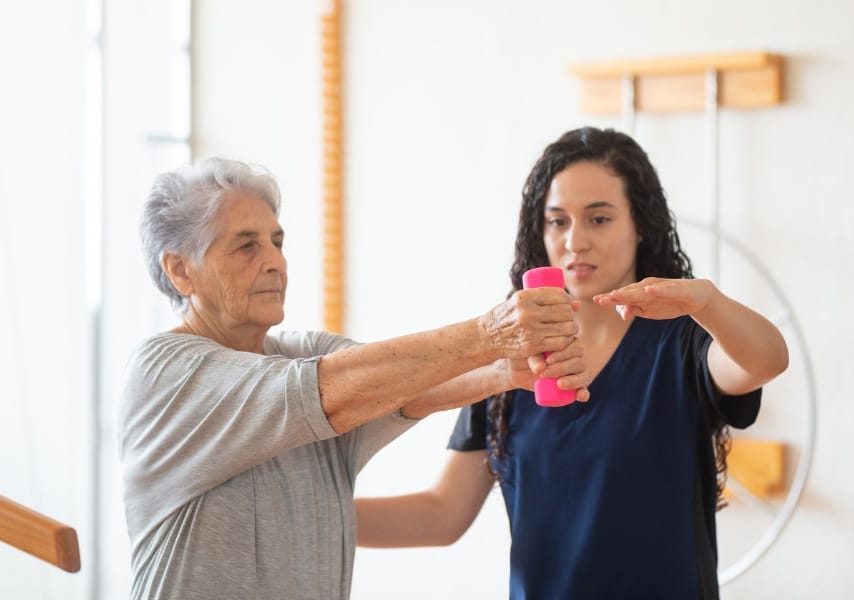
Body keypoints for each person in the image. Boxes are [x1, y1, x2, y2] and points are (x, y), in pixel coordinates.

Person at [118, 157, 591, 600]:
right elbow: (324, 392)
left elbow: (399, 387)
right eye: (247, 245)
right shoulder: (165, 372)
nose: (275, 262)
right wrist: (490, 334)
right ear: (181, 270)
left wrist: (503, 370)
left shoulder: (305, 353)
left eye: (277, 242)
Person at [355, 127, 790, 600]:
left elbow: (766, 359)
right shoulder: (511, 362)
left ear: (640, 224)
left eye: (599, 219)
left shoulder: (683, 344)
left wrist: (707, 301)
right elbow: (441, 514)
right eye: (558, 222)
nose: (574, 241)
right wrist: (308, 512)